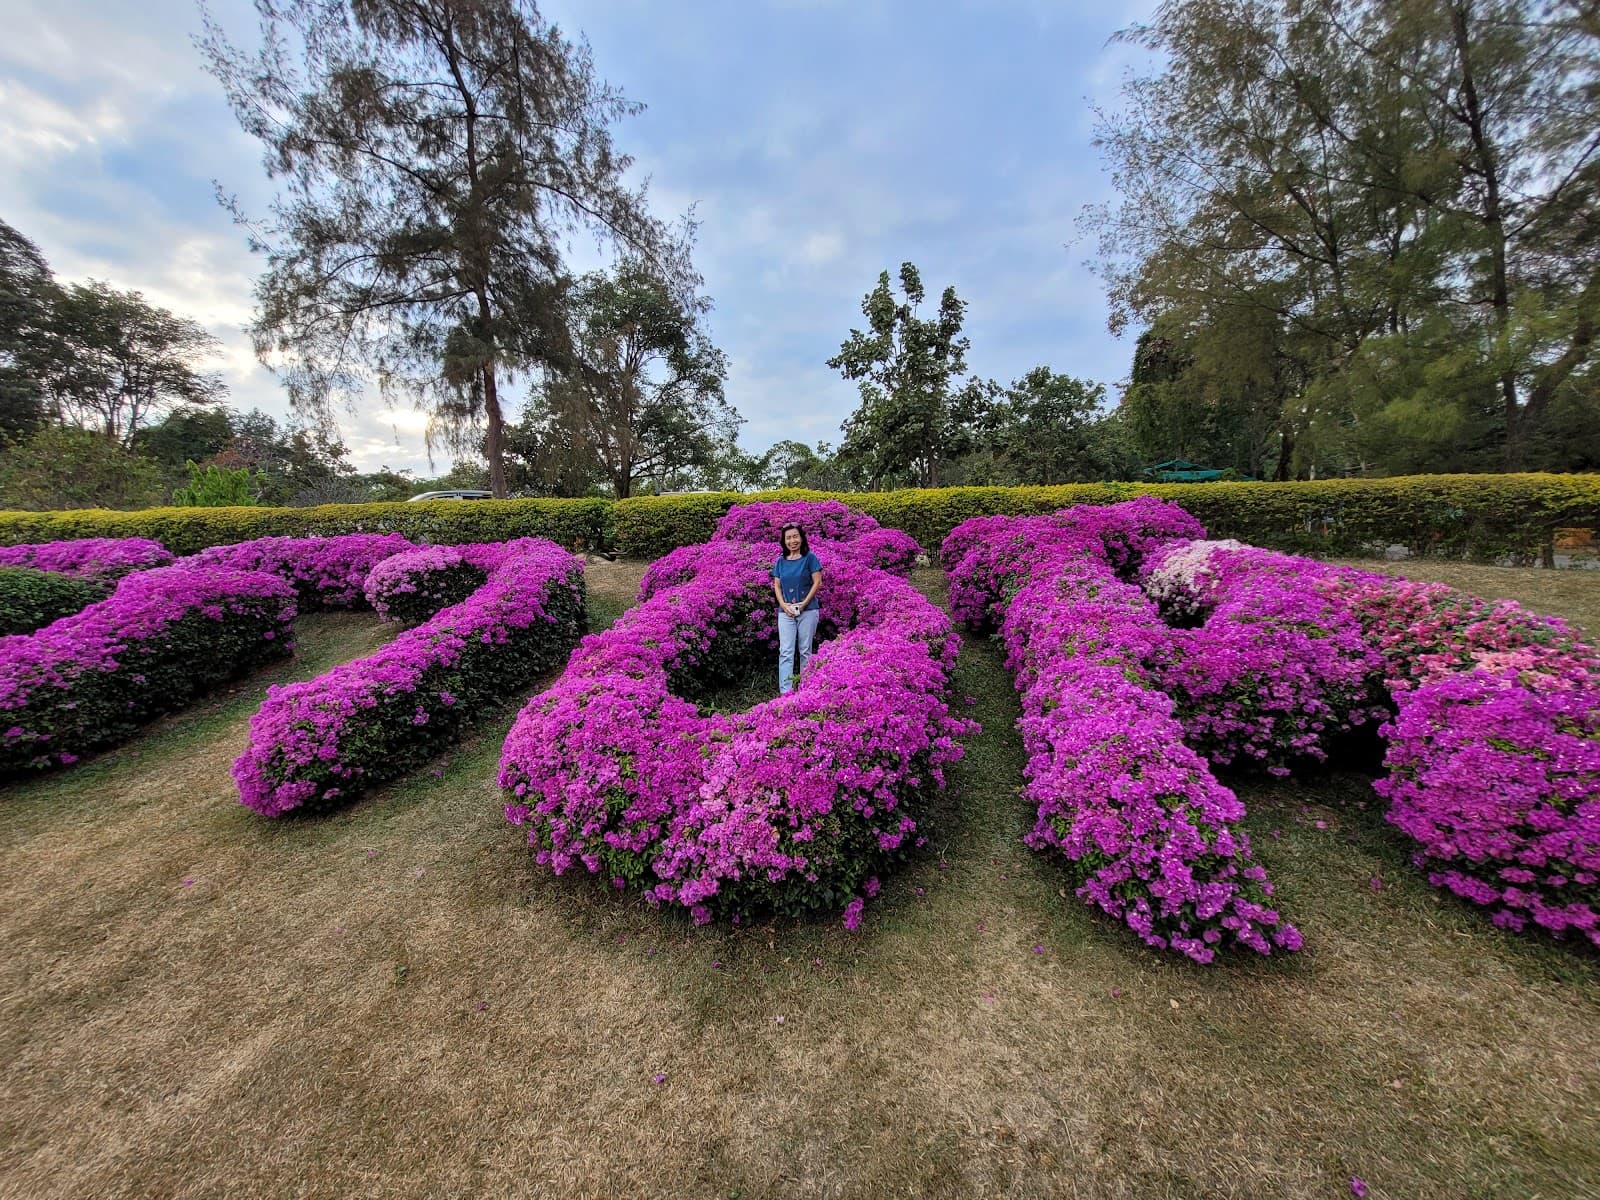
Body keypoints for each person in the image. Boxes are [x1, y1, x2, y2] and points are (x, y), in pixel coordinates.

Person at [770, 523, 823, 695]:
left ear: (801, 538)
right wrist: (784, 605)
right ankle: (786, 692)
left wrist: (804, 603)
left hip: (808, 610)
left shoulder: (810, 558)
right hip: (785, 612)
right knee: (785, 651)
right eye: (788, 538)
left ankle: (805, 689)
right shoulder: (780, 561)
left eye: (795, 536)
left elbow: (817, 582)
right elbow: (776, 586)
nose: (792, 540)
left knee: (805, 650)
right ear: (784, 541)